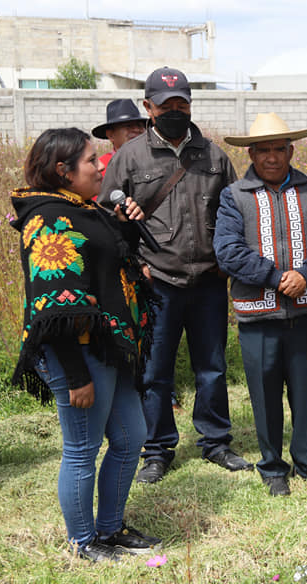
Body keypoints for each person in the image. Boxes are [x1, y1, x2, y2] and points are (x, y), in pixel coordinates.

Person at [10, 128, 158, 561]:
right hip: (76, 354)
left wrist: (128, 227)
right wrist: (76, 377)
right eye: (92, 160)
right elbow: (51, 306)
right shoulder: (47, 219)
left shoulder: (85, 211)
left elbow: (113, 268)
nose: (101, 167)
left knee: (132, 438)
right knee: (82, 450)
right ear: (64, 170)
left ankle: (110, 529)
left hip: (110, 347)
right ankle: (83, 541)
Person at [99, 67, 251, 484]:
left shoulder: (214, 156)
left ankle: (216, 441)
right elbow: (106, 222)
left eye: (181, 103)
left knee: (212, 367)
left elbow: (234, 214)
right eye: (166, 105)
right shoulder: (130, 157)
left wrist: (227, 258)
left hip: (207, 282)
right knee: (155, 371)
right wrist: (134, 264)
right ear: (148, 107)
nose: (175, 111)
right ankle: (157, 449)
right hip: (156, 281)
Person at [214, 114, 307, 496]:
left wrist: (305, 273)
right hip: (258, 316)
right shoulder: (233, 196)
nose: (272, 157)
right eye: (263, 150)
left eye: (279, 149)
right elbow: (227, 251)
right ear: (251, 154)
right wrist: (276, 277)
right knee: (264, 393)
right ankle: (272, 467)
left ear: (291, 151)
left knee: (305, 392)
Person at [91, 99, 148, 173]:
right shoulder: (101, 168)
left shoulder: (155, 158)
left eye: (140, 125)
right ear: (111, 135)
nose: (137, 130)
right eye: (129, 126)